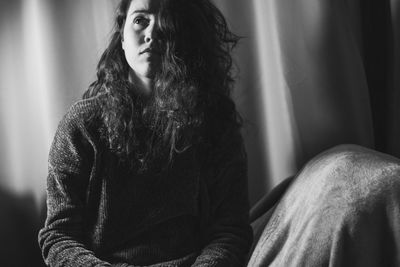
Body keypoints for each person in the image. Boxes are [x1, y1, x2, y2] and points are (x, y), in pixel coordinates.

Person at [38, 0, 253, 266]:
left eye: (168, 21)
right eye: (140, 20)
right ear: (123, 38)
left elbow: (230, 229)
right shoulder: (81, 126)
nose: (152, 33)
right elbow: (59, 236)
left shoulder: (214, 123)